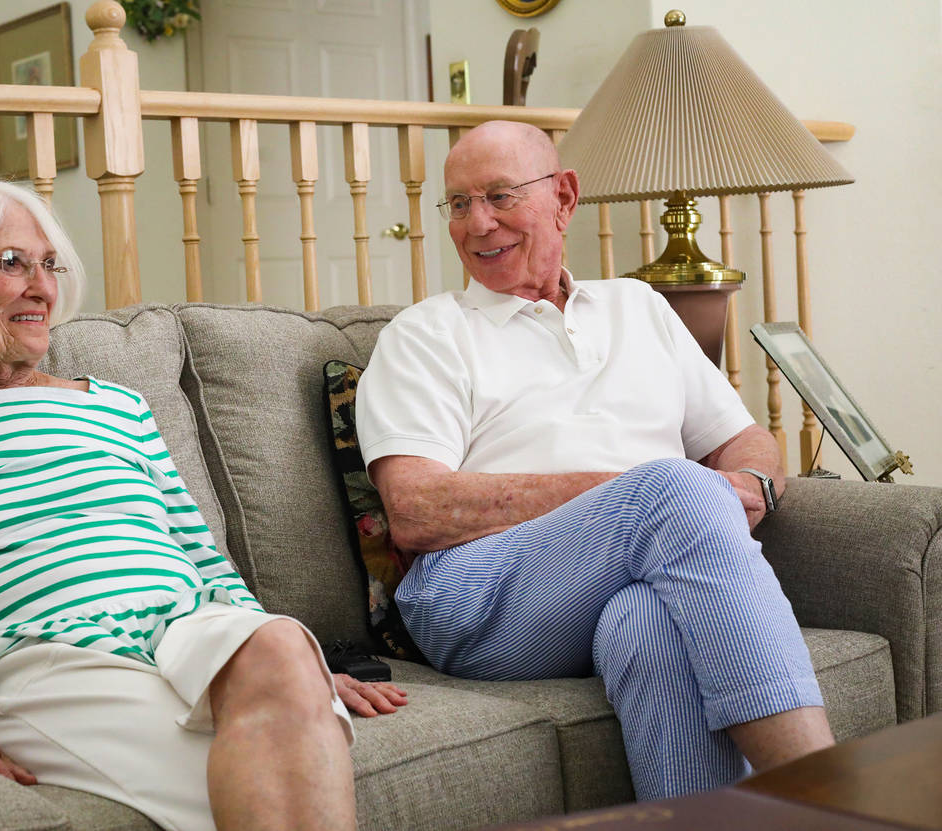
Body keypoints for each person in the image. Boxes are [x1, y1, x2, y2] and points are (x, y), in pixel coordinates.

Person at [0, 179, 406, 831]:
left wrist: (307, 672)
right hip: (35, 657)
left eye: (50, 264)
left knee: (279, 645)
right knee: (269, 768)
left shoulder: (116, 406)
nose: (42, 287)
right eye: (12, 263)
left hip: (183, 631)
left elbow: (205, 562)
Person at [354, 120, 834, 800]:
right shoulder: (428, 334)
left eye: (498, 195)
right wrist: (632, 495)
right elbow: (415, 509)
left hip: (620, 577)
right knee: (672, 488)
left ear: (564, 197)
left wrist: (751, 483)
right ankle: (828, 796)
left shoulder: (636, 306)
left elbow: (744, 437)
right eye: (459, 204)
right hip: (477, 593)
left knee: (645, 623)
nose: (478, 222)